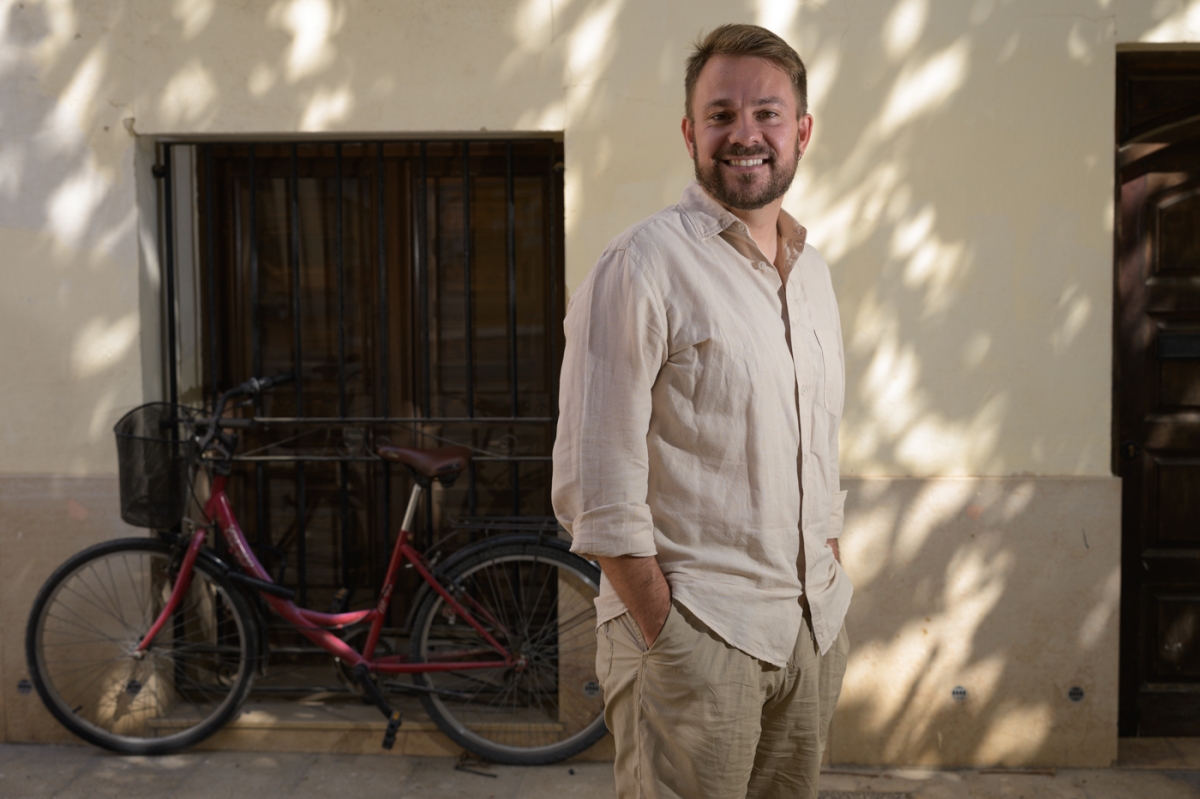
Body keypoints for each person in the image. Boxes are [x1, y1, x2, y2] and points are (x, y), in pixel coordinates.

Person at [552, 23, 852, 799]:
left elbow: (814, 444)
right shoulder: (641, 265)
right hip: (698, 636)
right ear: (691, 132)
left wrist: (830, 571)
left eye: (767, 114)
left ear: (802, 131)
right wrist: (667, 633)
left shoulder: (812, 273)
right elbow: (595, 481)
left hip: (808, 634)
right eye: (721, 115)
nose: (744, 134)